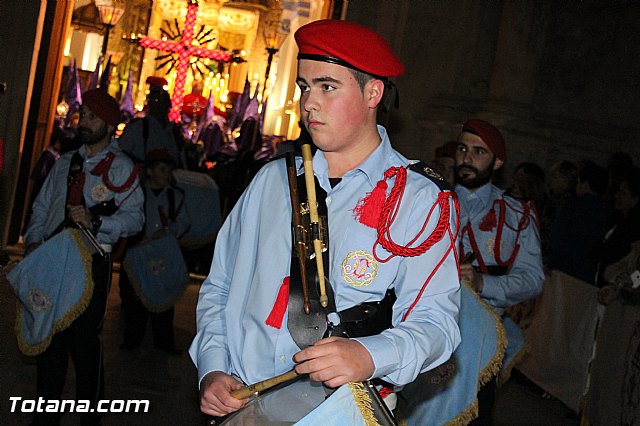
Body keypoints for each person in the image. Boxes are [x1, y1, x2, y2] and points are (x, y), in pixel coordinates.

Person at [190, 19, 461, 419]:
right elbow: (220, 286)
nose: (309, 102)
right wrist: (213, 366)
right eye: (304, 87)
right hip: (244, 401)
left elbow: (437, 322)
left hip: (339, 409)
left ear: (373, 92)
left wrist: (369, 355)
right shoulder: (271, 181)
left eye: (327, 86)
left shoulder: (419, 198)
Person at [22, 88, 144, 425]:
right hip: (52, 260)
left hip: (91, 263)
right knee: (50, 339)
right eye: (83, 115)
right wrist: (33, 244)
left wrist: (98, 222)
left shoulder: (121, 169)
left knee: (84, 343)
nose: (84, 121)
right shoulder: (64, 162)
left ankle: (89, 418)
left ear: (108, 124)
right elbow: (41, 207)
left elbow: (136, 220)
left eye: (92, 117)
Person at [454, 118, 544, 422]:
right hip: (428, 329)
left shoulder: (517, 213)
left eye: (478, 152)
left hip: (483, 338)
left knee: (475, 416)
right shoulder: (429, 198)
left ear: (497, 162)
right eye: (463, 149)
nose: (466, 158)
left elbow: (533, 279)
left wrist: (483, 283)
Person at [120, 149, 190, 354]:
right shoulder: (137, 194)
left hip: (163, 253)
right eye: (161, 169)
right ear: (149, 171)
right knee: (136, 297)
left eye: (168, 169)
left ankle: (164, 341)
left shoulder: (175, 196)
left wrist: (169, 232)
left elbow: (184, 222)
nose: (166, 173)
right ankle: (132, 339)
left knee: (165, 296)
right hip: (139, 253)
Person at [548, 160, 612, 285]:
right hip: (588, 275)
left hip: (563, 271)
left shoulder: (571, 206)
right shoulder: (607, 212)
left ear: (585, 184)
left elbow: (558, 238)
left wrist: (551, 264)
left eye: (578, 182)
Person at [118, 84, 185, 166]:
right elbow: (120, 153)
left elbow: (181, 159)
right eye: (155, 101)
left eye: (162, 101)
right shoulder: (137, 128)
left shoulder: (174, 131)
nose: (159, 106)